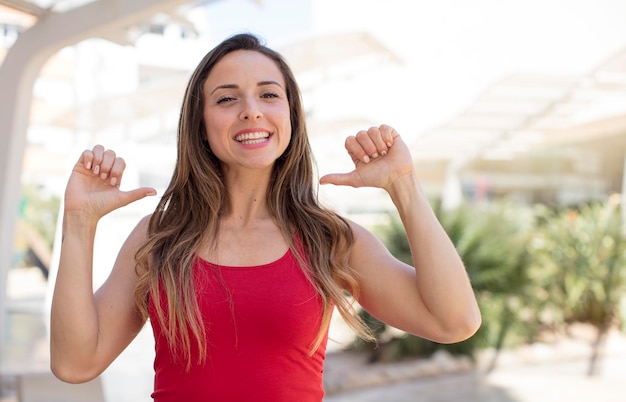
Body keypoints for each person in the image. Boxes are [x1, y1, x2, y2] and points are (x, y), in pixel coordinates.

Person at [50, 33, 481, 401]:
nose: (251, 110)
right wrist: (79, 223)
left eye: (269, 94)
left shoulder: (330, 239)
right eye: (226, 98)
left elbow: (455, 321)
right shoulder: (160, 237)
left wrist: (403, 186)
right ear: (200, 123)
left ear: (290, 115)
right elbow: (74, 363)